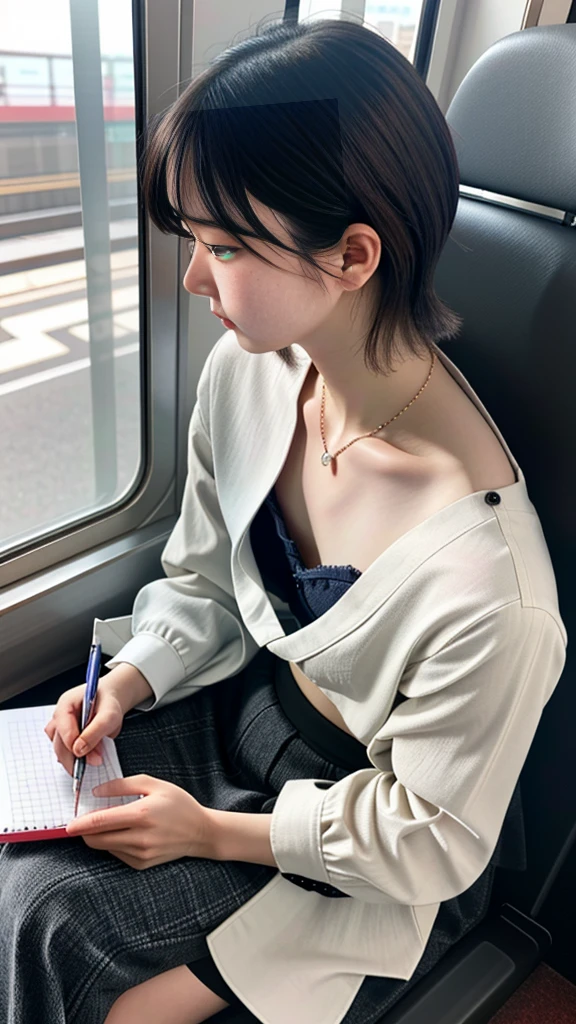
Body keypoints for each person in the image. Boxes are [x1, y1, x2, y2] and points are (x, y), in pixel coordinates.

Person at [0, 15, 567, 1024]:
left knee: (69, 946)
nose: (193, 279)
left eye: (223, 245)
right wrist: (127, 681)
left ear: (352, 255)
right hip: (245, 706)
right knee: (24, 859)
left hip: (367, 834)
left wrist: (208, 832)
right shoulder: (252, 375)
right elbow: (210, 577)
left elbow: (428, 836)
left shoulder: (492, 586)